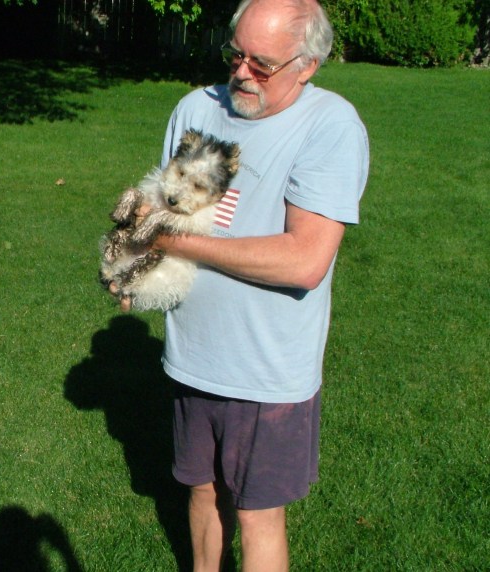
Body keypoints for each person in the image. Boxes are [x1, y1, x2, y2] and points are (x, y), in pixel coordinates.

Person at [115, 0, 369, 570]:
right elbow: (167, 208)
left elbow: (305, 260)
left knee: (257, 516)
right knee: (202, 491)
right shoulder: (194, 108)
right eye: (236, 54)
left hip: (267, 369)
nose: (241, 73)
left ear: (307, 65)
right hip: (192, 356)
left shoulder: (329, 126)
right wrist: (134, 266)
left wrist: (171, 244)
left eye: (263, 64)